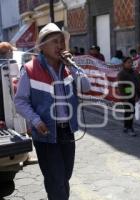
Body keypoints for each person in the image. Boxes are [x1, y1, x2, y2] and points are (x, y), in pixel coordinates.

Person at [14, 23, 91, 200]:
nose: (60, 46)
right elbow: (20, 101)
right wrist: (35, 120)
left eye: (62, 42)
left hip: (67, 131)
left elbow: (86, 87)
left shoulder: (67, 68)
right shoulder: (30, 69)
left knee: (64, 177)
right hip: (46, 132)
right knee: (55, 178)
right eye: (55, 42)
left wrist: (72, 65)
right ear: (42, 46)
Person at [117, 57, 140, 136]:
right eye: (128, 62)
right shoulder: (121, 74)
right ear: (124, 64)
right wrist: (125, 98)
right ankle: (129, 128)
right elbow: (121, 87)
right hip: (126, 96)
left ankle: (126, 126)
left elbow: (137, 84)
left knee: (130, 112)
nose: (130, 64)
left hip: (133, 95)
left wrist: (138, 95)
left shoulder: (134, 73)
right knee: (129, 112)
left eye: (131, 62)